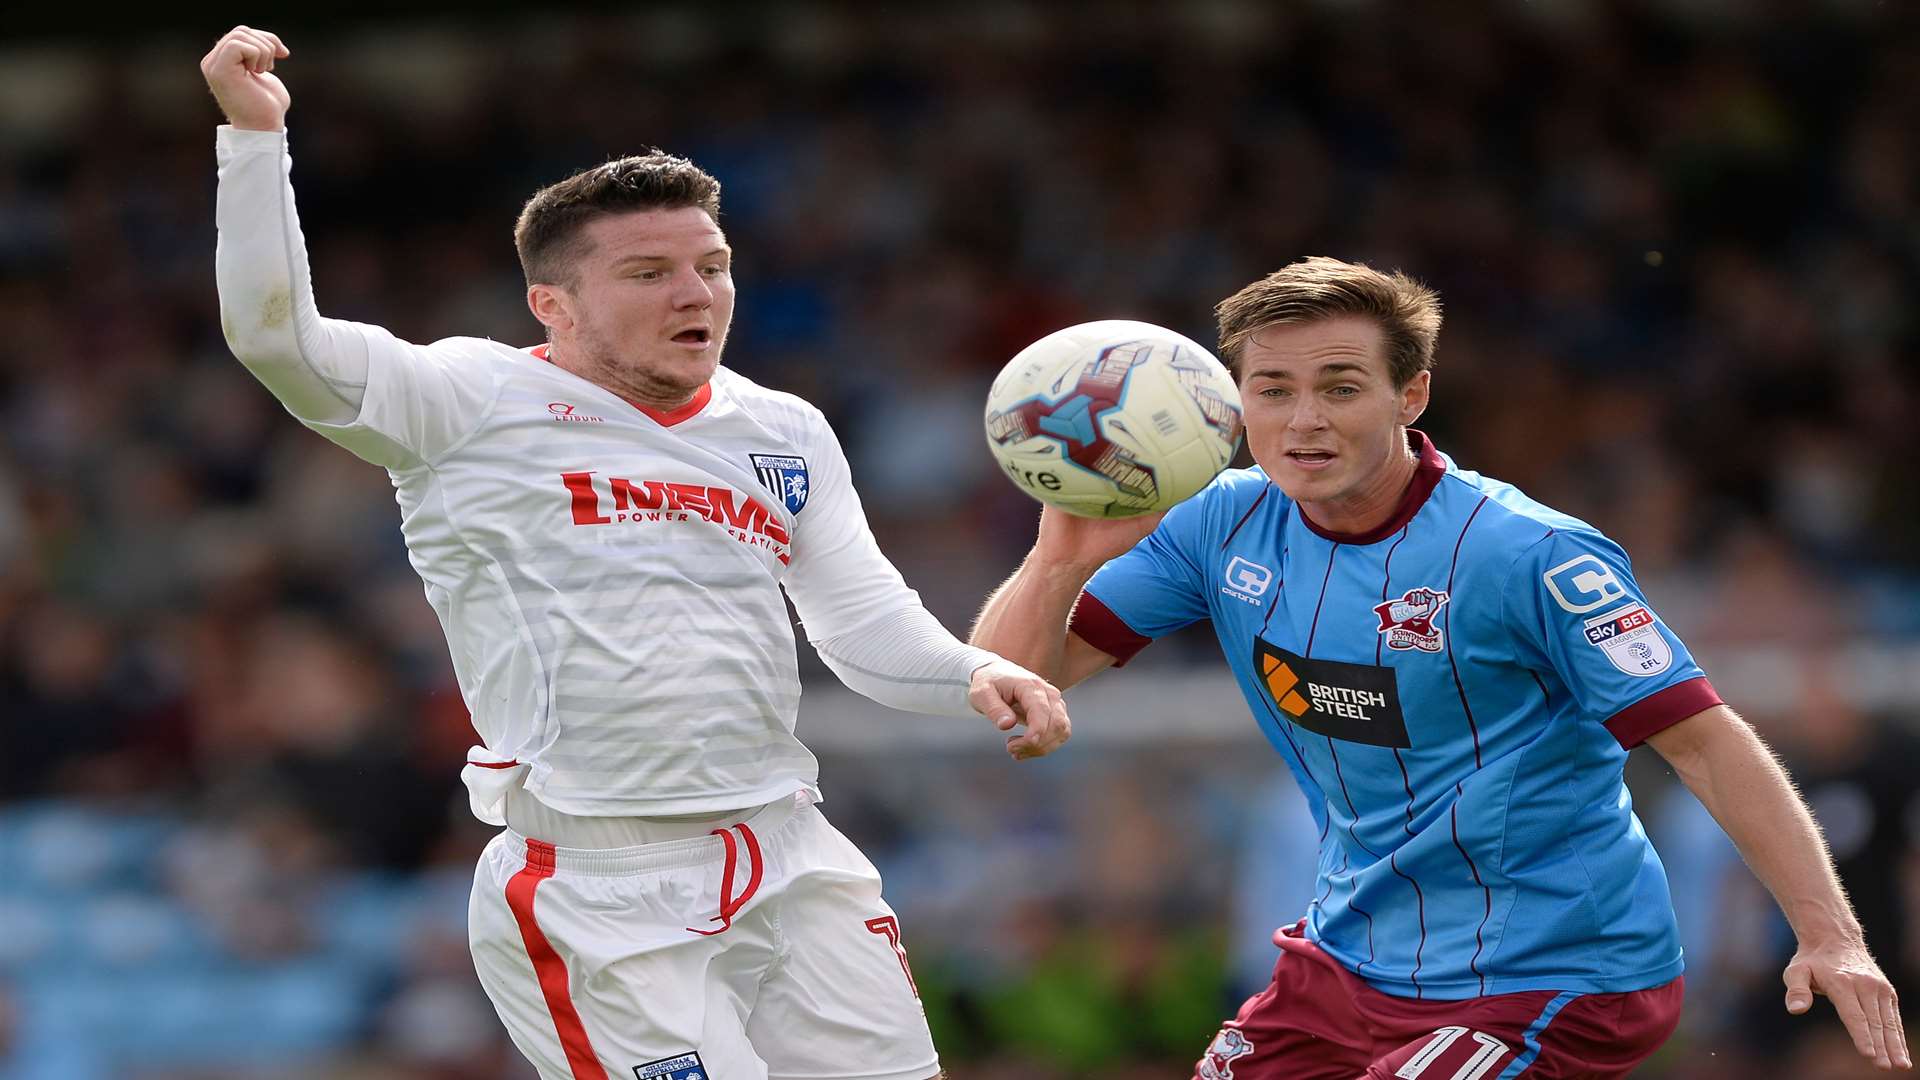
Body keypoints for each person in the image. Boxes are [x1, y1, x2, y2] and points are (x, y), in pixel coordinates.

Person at [201, 26, 1070, 1080]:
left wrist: (974, 672)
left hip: (789, 856)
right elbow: (275, 341)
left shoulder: (782, 428)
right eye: (650, 272)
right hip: (595, 890)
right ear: (553, 306)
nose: (695, 295)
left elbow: (857, 623)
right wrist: (255, 144)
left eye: (712, 267)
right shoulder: (467, 400)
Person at [971, 256, 1910, 1077]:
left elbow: (1704, 743)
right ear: (1233, 401)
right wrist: (1060, 556)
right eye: (1273, 389)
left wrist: (1831, 934)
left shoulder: (1530, 555)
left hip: (1559, 972)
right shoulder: (1218, 521)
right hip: (1349, 960)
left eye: (1341, 387)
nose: (1304, 420)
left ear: (1410, 395)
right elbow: (1007, 691)